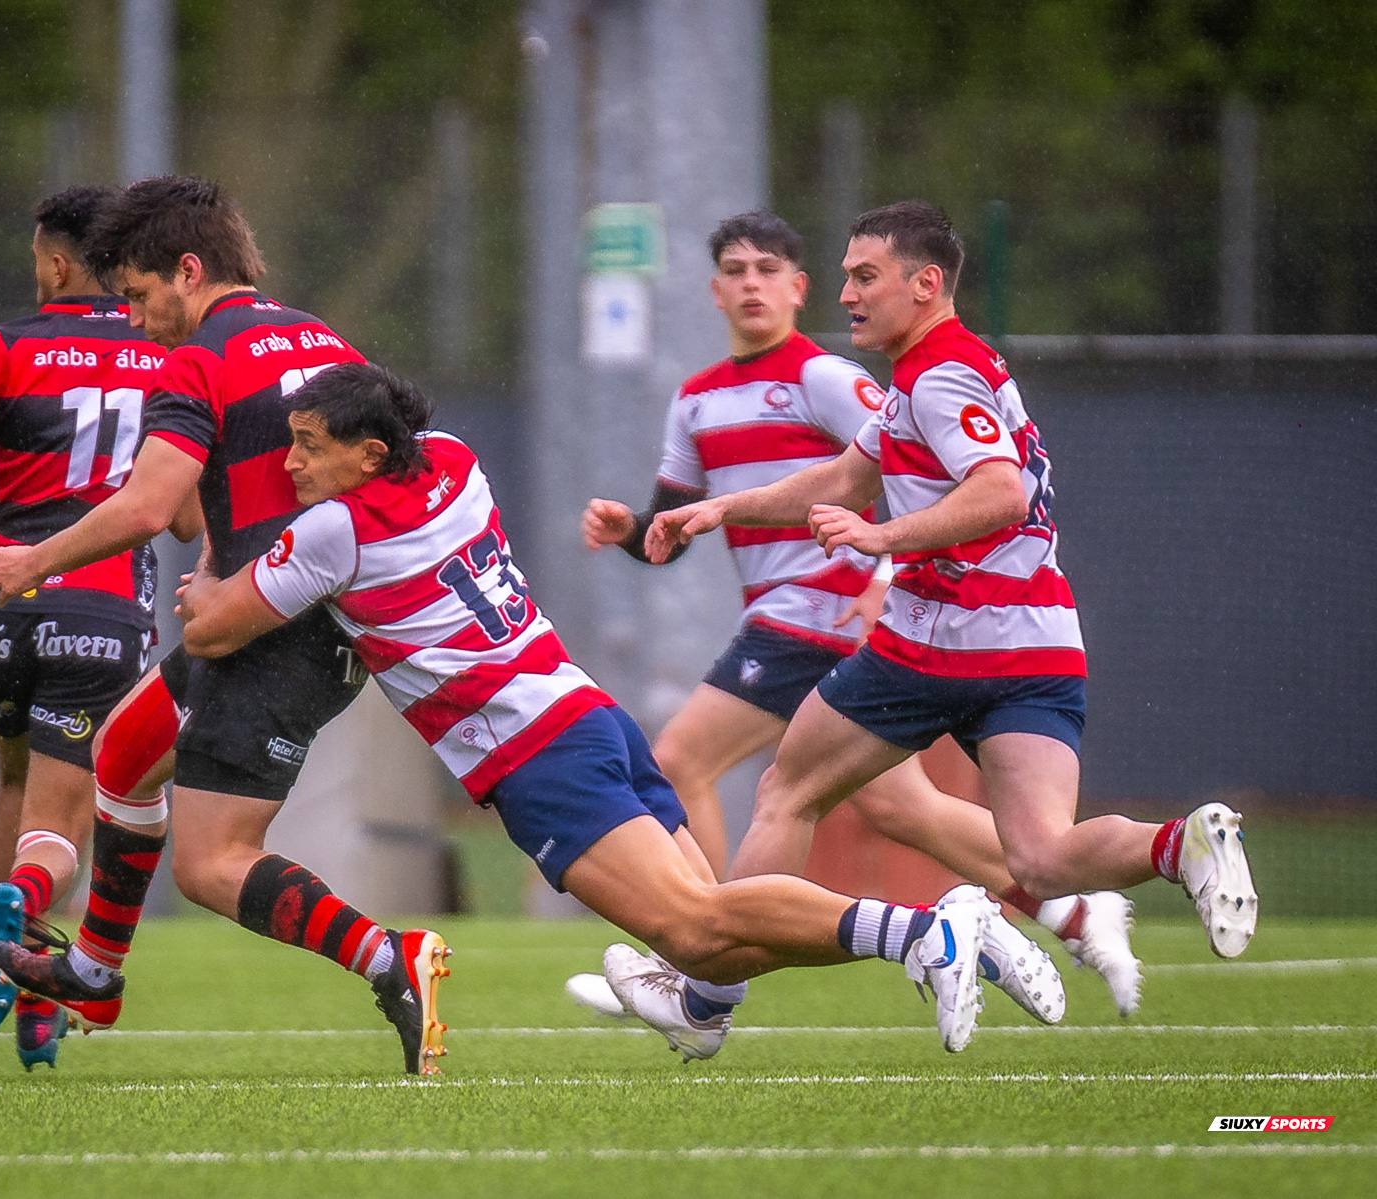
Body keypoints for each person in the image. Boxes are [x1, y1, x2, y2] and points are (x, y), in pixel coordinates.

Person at [163, 361, 1073, 1065]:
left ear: (368, 457)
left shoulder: (335, 531)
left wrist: (211, 553)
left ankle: (930, 929)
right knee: (715, 942)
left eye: (309, 445)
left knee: (694, 930)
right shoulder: (452, 461)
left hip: (536, 756)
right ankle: (900, 938)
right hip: (585, 712)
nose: (288, 463)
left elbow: (210, 632)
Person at [568, 212, 1140, 1041]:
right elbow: (673, 527)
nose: (753, 282)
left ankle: (702, 949)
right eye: (737, 269)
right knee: (900, 808)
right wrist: (630, 529)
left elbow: (897, 471)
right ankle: (1074, 909)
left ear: (798, 290)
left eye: (771, 268)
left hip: (820, 615)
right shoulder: (695, 400)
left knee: (686, 759)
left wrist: (879, 571)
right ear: (715, 290)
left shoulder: (830, 377)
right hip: (784, 617)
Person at [647, 201, 1258, 973]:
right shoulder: (933, 372)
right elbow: (844, 476)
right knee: (1040, 857)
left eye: (865, 276)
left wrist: (882, 538)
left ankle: (705, 988)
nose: (847, 295)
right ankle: (1181, 843)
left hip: (946, 638)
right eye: (845, 278)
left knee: (786, 790)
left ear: (927, 283)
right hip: (1038, 642)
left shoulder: (937, 376)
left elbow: (998, 490)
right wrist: (723, 506)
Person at [0, 176, 447, 1076]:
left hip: (277, 632)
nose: (139, 322)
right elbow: (330, 472)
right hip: (305, 611)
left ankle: (394, 959)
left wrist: (34, 559)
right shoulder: (320, 335)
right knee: (123, 750)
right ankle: (95, 972)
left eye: (142, 298)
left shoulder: (197, 358)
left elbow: (149, 508)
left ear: (190, 271)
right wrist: (230, 552)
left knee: (212, 862)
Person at [0, 185, 196, 1069]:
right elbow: (178, 522)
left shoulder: (5, 345)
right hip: (98, 608)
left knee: (13, 781)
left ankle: (15, 962)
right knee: (64, 820)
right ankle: (27, 934)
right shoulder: (163, 353)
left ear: (55, 264)